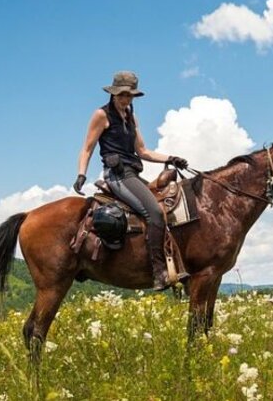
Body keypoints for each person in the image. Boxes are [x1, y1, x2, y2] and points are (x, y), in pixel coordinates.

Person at [74, 71, 189, 289]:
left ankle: (175, 264)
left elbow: (143, 151)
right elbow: (87, 148)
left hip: (133, 174)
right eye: (122, 95)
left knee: (165, 209)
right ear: (113, 93)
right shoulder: (102, 115)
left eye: (129, 95)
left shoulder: (131, 117)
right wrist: (81, 173)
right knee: (154, 213)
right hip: (117, 175)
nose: (125, 99)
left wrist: (171, 158)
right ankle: (158, 271)